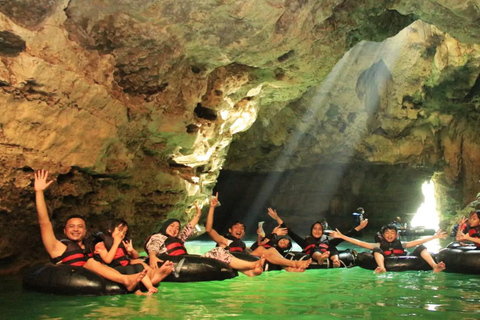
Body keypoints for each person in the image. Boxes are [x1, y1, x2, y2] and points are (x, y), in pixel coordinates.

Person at [34, 169, 147, 292]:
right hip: (71, 276)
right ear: (65, 231)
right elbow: (44, 222)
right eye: (71, 226)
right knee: (91, 263)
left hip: (92, 277)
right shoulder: (57, 246)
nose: (76, 229)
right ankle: (125, 280)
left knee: (94, 262)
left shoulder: (88, 246)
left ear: (85, 231)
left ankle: (135, 285)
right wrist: (39, 192)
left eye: (80, 226)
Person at [144, 199, 264, 277]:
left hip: (185, 259)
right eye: (172, 226)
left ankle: (248, 271)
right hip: (171, 261)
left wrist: (198, 215)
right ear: (165, 227)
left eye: (177, 227)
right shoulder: (159, 236)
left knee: (219, 251)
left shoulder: (178, 239)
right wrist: (153, 256)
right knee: (219, 250)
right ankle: (251, 266)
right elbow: (153, 246)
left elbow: (188, 228)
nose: (175, 229)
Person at [204, 193, 311, 272]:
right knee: (263, 250)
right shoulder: (224, 240)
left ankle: (289, 268)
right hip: (234, 260)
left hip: (244, 257)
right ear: (230, 230)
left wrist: (266, 236)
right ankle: (293, 263)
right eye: (236, 227)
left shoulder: (242, 244)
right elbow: (209, 229)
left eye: (242, 228)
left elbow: (257, 246)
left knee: (269, 249)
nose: (239, 230)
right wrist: (212, 208)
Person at [94, 219, 173, 294]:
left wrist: (130, 250)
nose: (121, 234)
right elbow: (108, 260)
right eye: (119, 230)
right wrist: (115, 243)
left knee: (139, 266)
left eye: (124, 233)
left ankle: (150, 287)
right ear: (110, 230)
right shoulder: (102, 243)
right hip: (114, 267)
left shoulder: (123, 243)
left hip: (125, 265)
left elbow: (136, 256)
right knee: (130, 268)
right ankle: (137, 291)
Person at [269, 208, 368, 267]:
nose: (317, 231)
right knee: (313, 248)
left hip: (328, 253)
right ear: (311, 231)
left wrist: (360, 227)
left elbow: (345, 236)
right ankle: (320, 258)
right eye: (315, 229)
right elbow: (289, 231)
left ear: (322, 231)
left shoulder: (326, 242)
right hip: (314, 254)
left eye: (319, 229)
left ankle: (336, 261)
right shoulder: (305, 242)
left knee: (332, 247)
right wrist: (277, 218)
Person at [330, 224, 447, 273]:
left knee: (421, 247)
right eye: (387, 233)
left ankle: (434, 266)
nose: (390, 235)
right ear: (383, 235)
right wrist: (342, 236)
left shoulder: (402, 244)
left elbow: (418, 241)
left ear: (396, 235)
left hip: (402, 258)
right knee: (376, 250)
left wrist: (434, 237)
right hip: (385, 261)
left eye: (392, 233)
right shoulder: (379, 245)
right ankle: (382, 268)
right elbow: (360, 243)